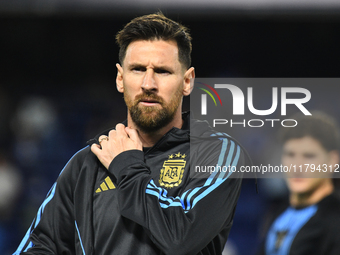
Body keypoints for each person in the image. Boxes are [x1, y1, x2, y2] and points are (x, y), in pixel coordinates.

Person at [14, 13, 245, 255]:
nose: (148, 83)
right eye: (137, 69)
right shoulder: (87, 163)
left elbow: (180, 238)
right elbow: (40, 246)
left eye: (163, 71)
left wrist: (126, 166)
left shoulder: (216, 152)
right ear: (120, 78)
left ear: (187, 81)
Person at [258, 112, 340, 255]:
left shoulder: (335, 219)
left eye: (309, 156)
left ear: (332, 161)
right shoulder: (280, 211)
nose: (297, 166)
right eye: (290, 155)